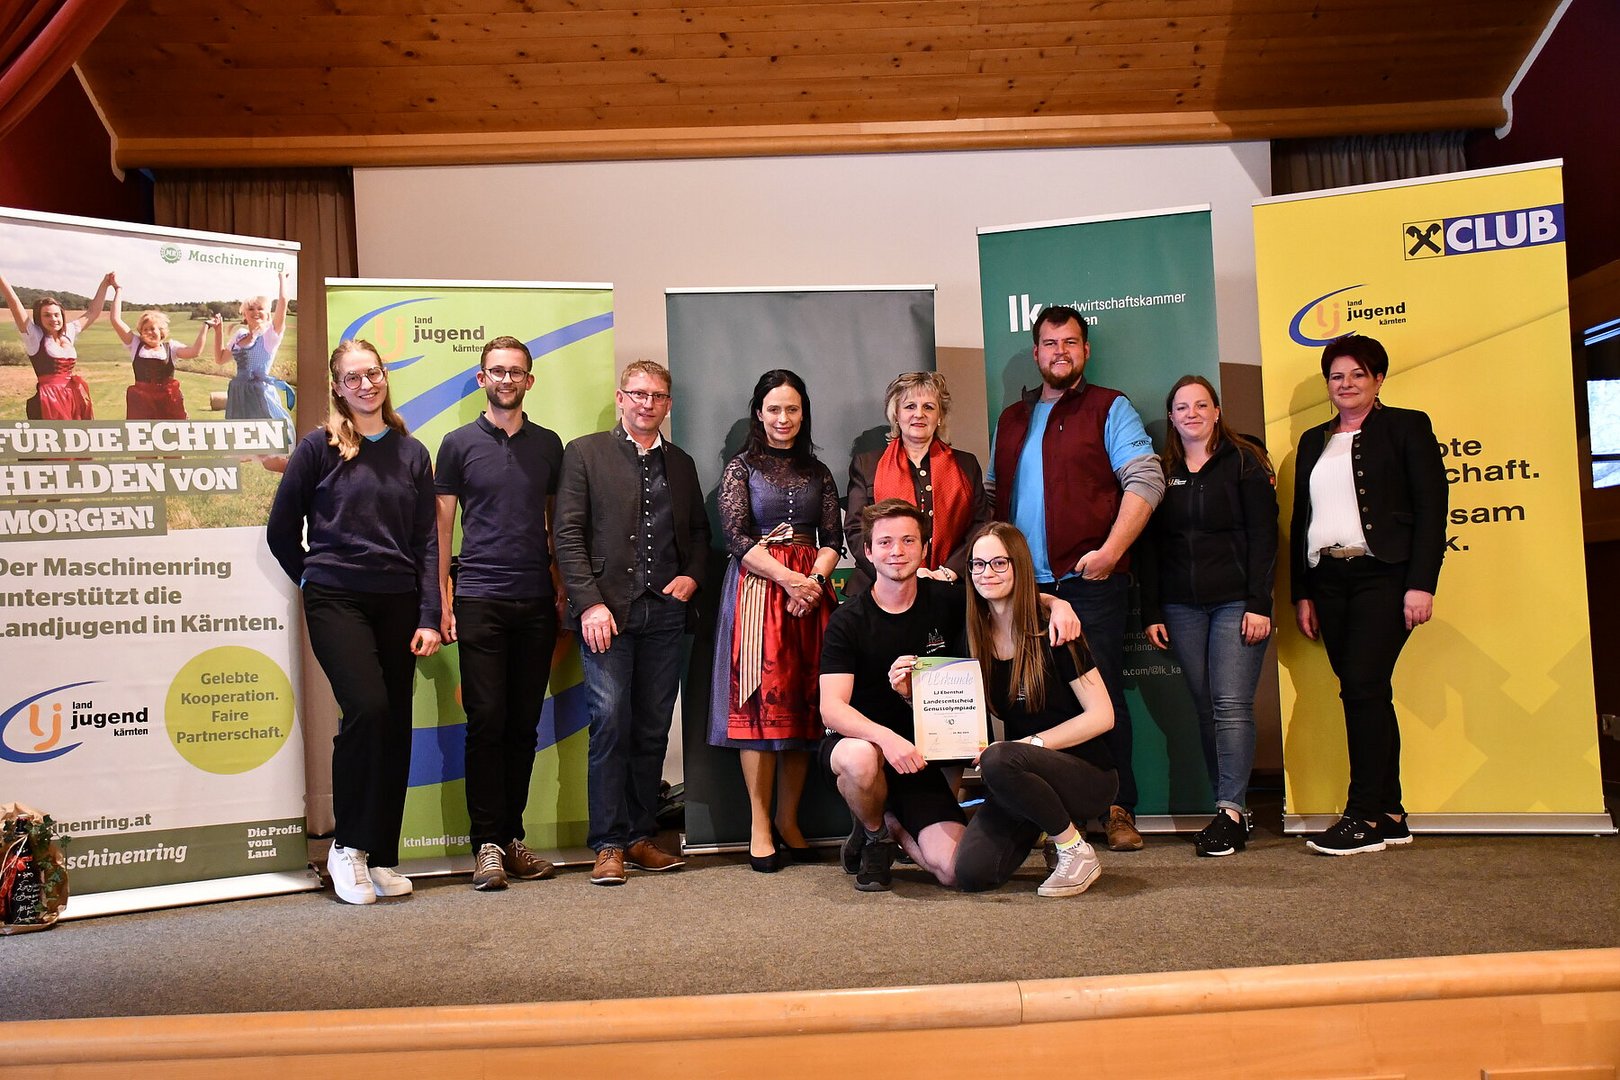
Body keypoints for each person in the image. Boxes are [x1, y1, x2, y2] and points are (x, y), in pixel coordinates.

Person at [819, 498, 1081, 893]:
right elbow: (831, 708)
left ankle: (890, 823)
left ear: (924, 548)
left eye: (908, 540)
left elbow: (1006, 596)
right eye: (885, 542)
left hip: (922, 758)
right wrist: (887, 740)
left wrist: (1057, 603)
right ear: (868, 552)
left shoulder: (947, 599)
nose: (897, 551)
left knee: (955, 872)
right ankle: (874, 837)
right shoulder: (848, 619)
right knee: (860, 758)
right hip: (865, 746)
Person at [266, 340, 441, 905]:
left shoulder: (412, 453)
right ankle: (346, 848)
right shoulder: (317, 448)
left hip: (398, 602)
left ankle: (380, 855)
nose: (366, 385)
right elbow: (280, 530)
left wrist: (429, 615)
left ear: (385, 377)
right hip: (337, 599)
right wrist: (314, 580)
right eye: (353, 378)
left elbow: (426, 543)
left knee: (394, 725)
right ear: (337, 387)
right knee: (367, 709)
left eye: (373, 373)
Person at [988, 305, 1165, 851]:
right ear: (1036, 353)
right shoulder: (1011, 419)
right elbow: (993, 495)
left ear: (1085, 351)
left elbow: (1146, 478)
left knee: (1100, 692)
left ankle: (1117, 807)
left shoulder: (1110, 407)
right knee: (1034, 698)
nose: (1059, 351)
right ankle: (1048, 815)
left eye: (1070, 342)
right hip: (1024, 590)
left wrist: (1111, 552)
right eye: (1050, 343)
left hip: (1090, 582)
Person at [1291, 333, 1447, 856]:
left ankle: (1362, 816)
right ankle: (1392, 812)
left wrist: (1421, 583)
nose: (1346, 384)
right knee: (1369, 692)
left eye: (1358, 374)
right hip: (1327, 579)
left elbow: (1431, 509)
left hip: (1385, 576)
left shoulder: (1407, 426)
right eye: (1337, 376)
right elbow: (1301, 519)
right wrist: (1302, 591)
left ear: (1378, 379)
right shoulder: (1312, 440)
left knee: (1361, 687)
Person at [554, 359, 709, 886]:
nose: (648, 403)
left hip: (665, 612)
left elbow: (699, 533)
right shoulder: (584, 453)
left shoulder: (681, 463)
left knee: (651, 727)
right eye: (638, 394)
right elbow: (567, 535)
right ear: (620, 398)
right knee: (610, 723)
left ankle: (641, 836)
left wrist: (692, 575)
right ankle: (608, 844)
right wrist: (589, 603)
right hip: (606, 614)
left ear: (668, 404)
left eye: (658, 396)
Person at [435, 336, 566, 892]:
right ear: (481, 378)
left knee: (523, 724)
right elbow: (441, 528)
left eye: (515, 371)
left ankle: (512, 838)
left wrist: (561, 591)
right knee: (486, 721)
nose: (506, 379)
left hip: (536, 601)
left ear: (529, 381)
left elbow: (557, 526)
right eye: (497, 371)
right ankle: (486, 845)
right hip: (479, 598)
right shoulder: (457, 444)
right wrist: (442, 599)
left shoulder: (549, 445)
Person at [707, 370, 840, 872]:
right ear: (759, 413)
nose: (783, 418)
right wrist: (789, 579)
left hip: (811, 596)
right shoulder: (740, 469)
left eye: (792, 409)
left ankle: (789, 819)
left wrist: (815, 583)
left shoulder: (819, 471)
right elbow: (736, 538)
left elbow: (833, 538)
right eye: (774, 409)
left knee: (805, 706)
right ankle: (759, 825)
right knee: (760, 707)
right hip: (758, 593)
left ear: (803, 414)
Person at [1140, 375, 1278, 857]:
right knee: (1206, 708)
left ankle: (1230, 812)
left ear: (1217, 411)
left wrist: (1260, 602)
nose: (1192, 414)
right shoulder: (1162, 470)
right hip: (1180, 607)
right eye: (1182, 407)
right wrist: (1151, 609)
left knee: (1231, 705)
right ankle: (1232, 808)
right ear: (1171, 417)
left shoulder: (1245, 460)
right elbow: (1150, 547)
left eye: (1201, 405)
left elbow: (1265, 535)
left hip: (1236, 603)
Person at [953, 522, 1116, 897]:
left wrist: (1028, 745)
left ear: (1019, 566)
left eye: (999, 563)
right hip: (1018, 778)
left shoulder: (1055, 629)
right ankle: (1049, 829)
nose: (987, 573)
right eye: (977, 564)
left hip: (1087, 774)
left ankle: (1073, 849)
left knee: (999, 758)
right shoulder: (973, 635)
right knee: (972, 874)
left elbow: (1102, 715)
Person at [843, 371, 991, 597]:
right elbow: (856, 529)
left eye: (929, 407)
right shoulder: (867, 464)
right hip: (879, 589)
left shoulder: (966, 465)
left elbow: (980, 525)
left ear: (940, 416)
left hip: (949, 588)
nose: (919, 414)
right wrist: (896, 572)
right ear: (896, 414)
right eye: (910, 406)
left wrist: (948, 572)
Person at [1, 269, 113, 420]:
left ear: (62, 315)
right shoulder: (34, 336)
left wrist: (105, 284)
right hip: (49, 399)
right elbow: (14, 303)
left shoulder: (69, 332)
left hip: (73, 395)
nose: (53, 319)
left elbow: (92, 313)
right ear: (39, 318)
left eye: (56, 315)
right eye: (47, 315)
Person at [109, 278, 216, 420]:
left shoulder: (171, 347)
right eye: (145, 330)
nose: (149, 332)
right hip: (141, 403)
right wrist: (118, 290)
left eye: (152, 328)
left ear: (161, 331)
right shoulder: (135, 344)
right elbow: (115, 320)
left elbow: (195, 351)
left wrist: (206, 326)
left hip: (168, 402)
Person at [216, 271, 293, 423]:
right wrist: (218, 331)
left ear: (268, 314)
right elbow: (220, 359)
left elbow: (283, 301)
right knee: (239, 434)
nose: (256, 312)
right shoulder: (239, 335)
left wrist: (282, 278)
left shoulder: (269, 336)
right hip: (238, 393)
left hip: (259, 393)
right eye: (251, 309)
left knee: (266, 432)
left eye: (260, 309)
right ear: (244, 314)